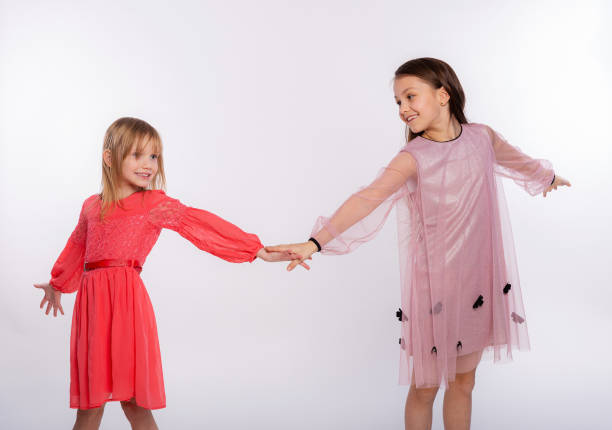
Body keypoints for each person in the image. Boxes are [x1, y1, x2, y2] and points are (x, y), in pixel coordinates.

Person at [266, 57, 571, 430]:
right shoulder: (413, 157)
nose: (403, 109)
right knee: (425, 388)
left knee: (464, 382)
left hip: (478, 283)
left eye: (410, 96)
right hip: (436, 290)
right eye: (397, 102)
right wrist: (315, 242)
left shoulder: (482, 137)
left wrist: (548, 177)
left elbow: (516, 159)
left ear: (443, 94)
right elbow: (367, 198)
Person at [33, 117, 303, 430]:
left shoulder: (153, 204)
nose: (148, 164)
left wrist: (255, 249)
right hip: (92, 309)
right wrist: (57, 283)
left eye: (154, 156)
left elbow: (200, 224)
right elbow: (76, 247)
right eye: (137, 155)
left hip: (126, 307)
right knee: (89, 406)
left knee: (135, 404)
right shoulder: (91, 206)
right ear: (109, 158)